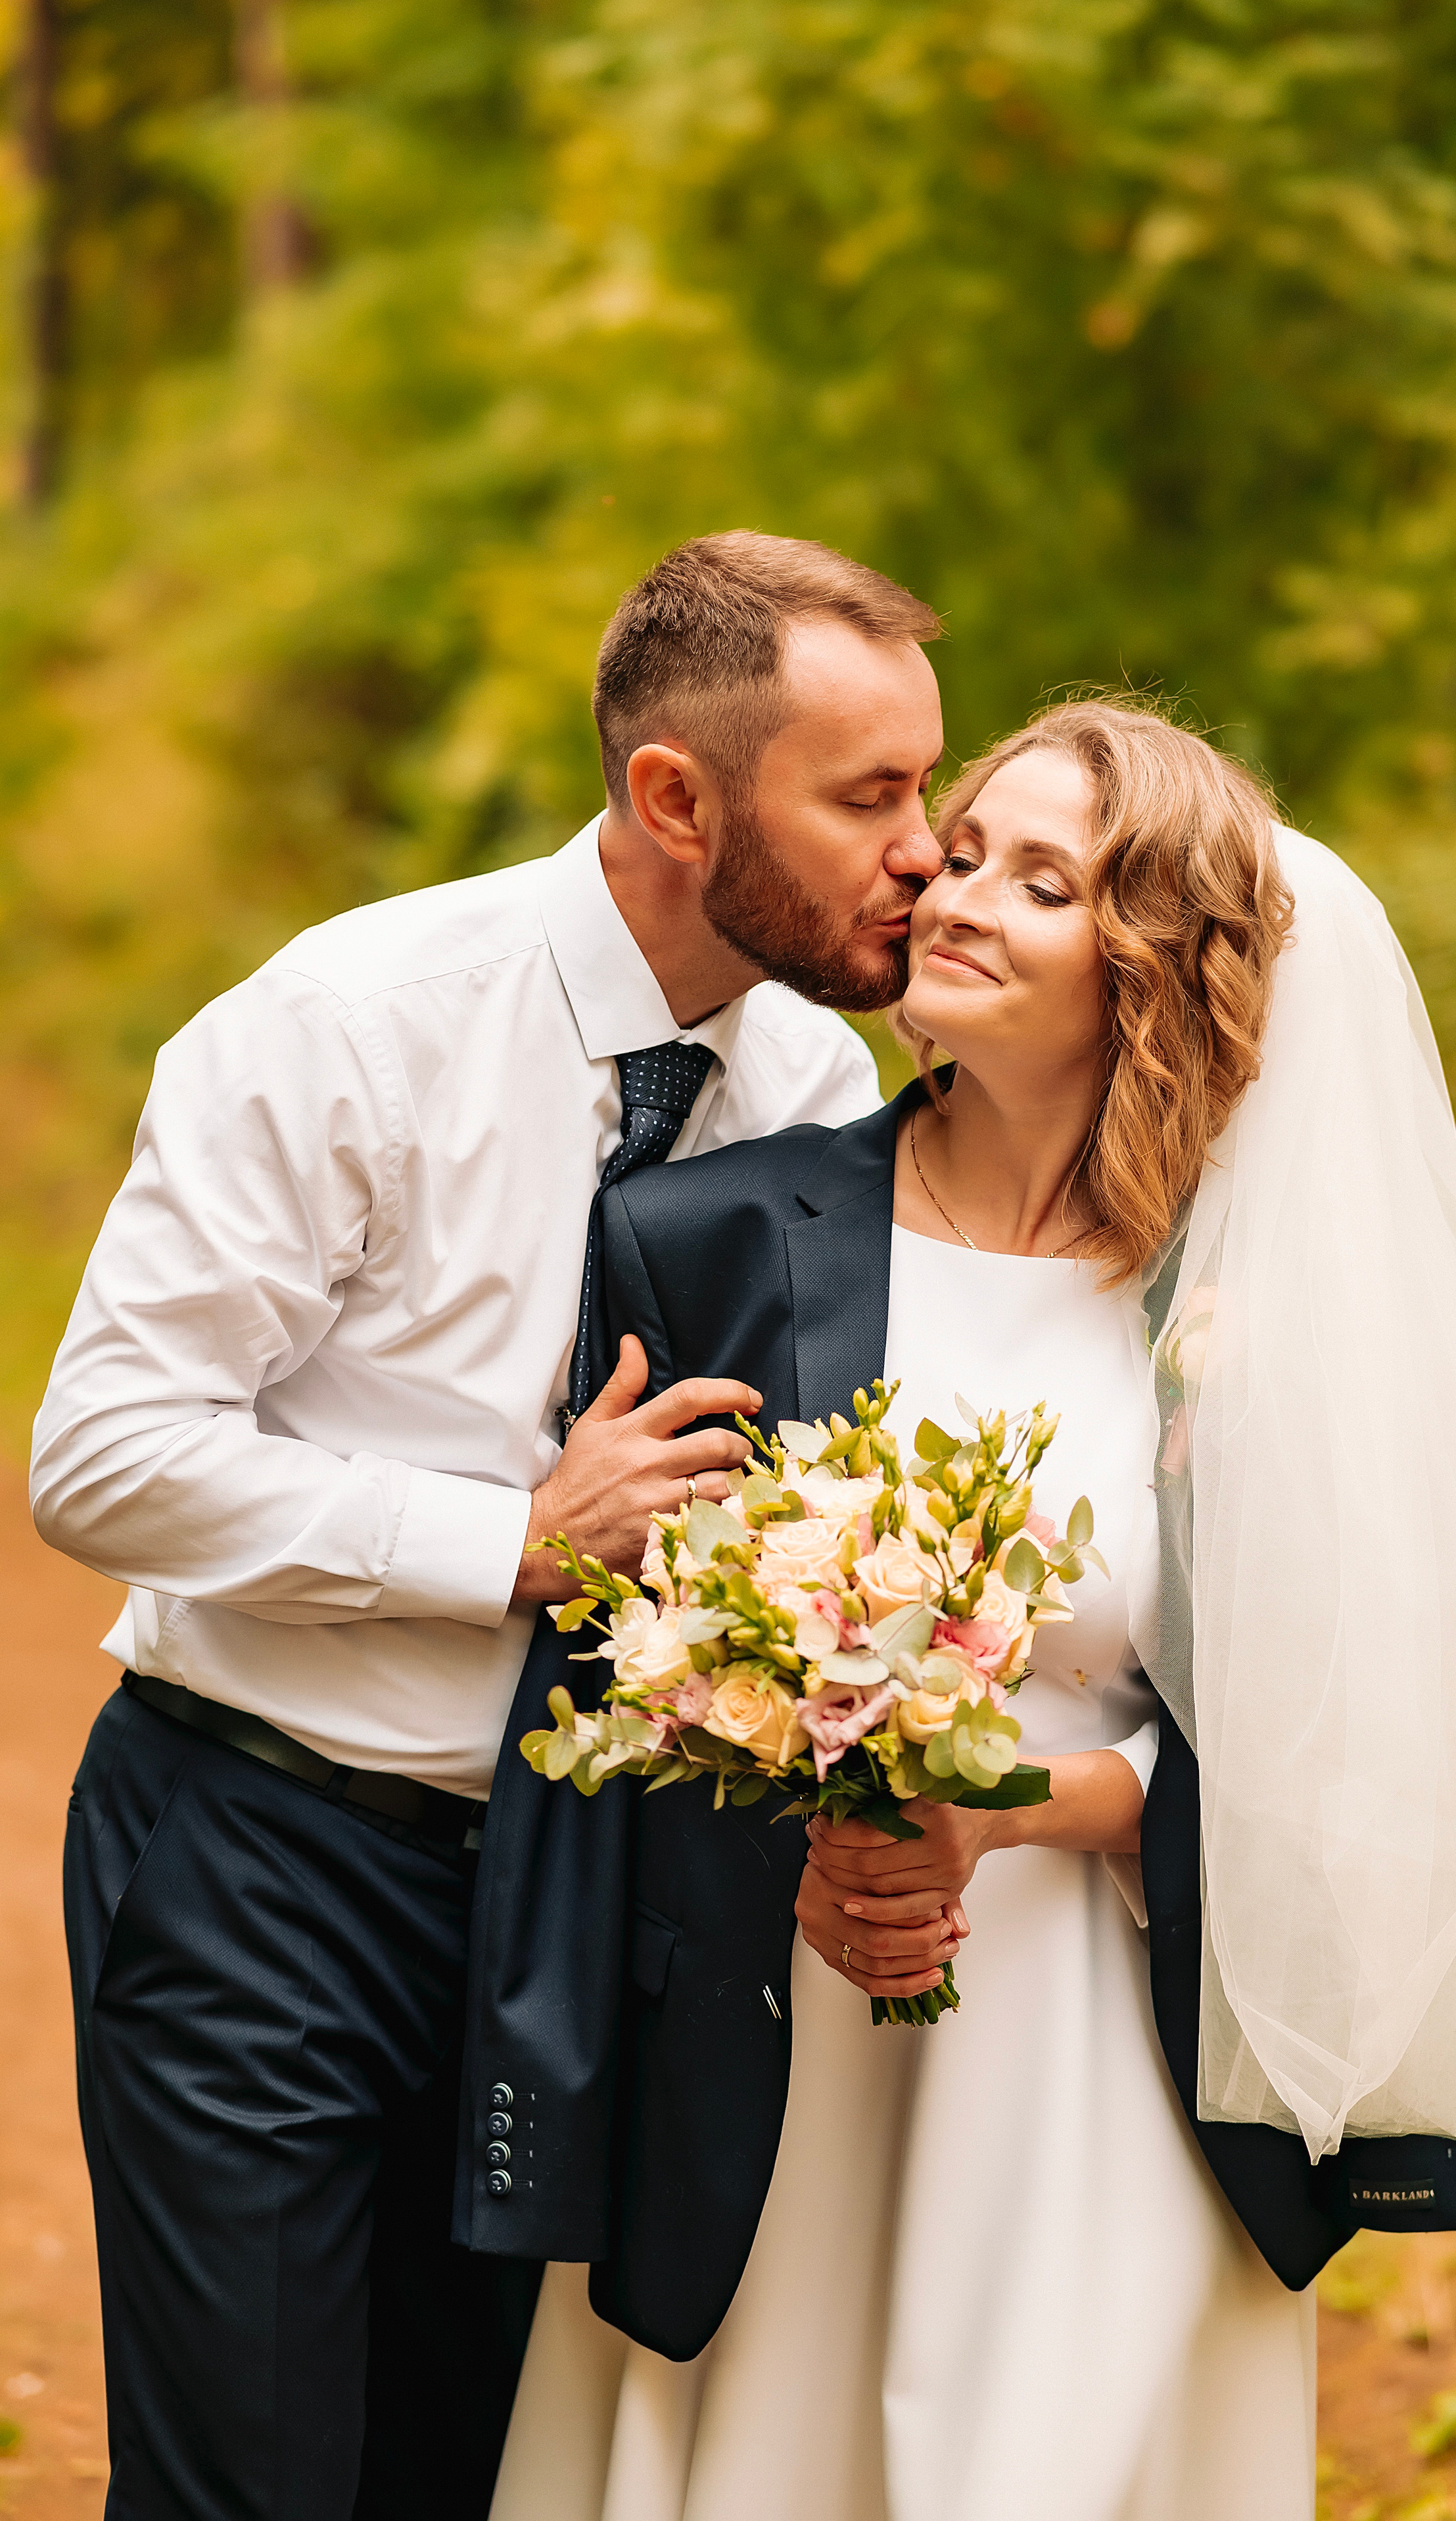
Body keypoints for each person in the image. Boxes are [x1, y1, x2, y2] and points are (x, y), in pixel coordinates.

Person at [479, 700, 1456, 2520]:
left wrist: (1017, 1811)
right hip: (783, 2028)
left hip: (1105, 2040)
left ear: (1147, 962)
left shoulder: (1251, 1309)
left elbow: (1365, 1739)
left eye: (1042, 882)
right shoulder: (715, 1236)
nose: (954, 894)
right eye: (965, 848)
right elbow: (607, 1668)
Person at [28, 529, 947, 2521]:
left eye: (927, 788)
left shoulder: (812, 1080)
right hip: (265, 1852)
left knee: (474, 2476)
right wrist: (509, 1541)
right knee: (250, 2489)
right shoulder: (352, 1020)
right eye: (872, 795)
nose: (927, 849)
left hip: (585, 1899)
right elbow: (97, 1455)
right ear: (676, 798)